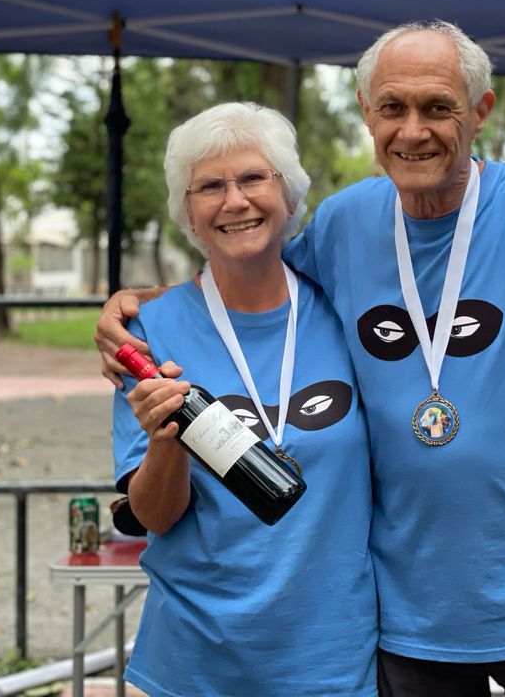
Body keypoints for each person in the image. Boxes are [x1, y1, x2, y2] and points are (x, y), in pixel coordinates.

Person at [97, 20, 505, 697]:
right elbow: (249, 268)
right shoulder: (345, 224)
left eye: (439, 108)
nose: (413, 130)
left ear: (481, 112)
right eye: (392, 108)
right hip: (408, 626)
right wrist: (141, 304)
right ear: (367, 115)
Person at [110, 102, 378, 696]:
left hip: (335, 659)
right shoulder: (150, 335)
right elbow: (153, 516)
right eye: (208, 186)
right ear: (189, 213)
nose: (235, 201)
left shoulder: (346, 310)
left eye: (254, 177)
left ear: (290, 195)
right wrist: (165, 442)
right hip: (196, 661)